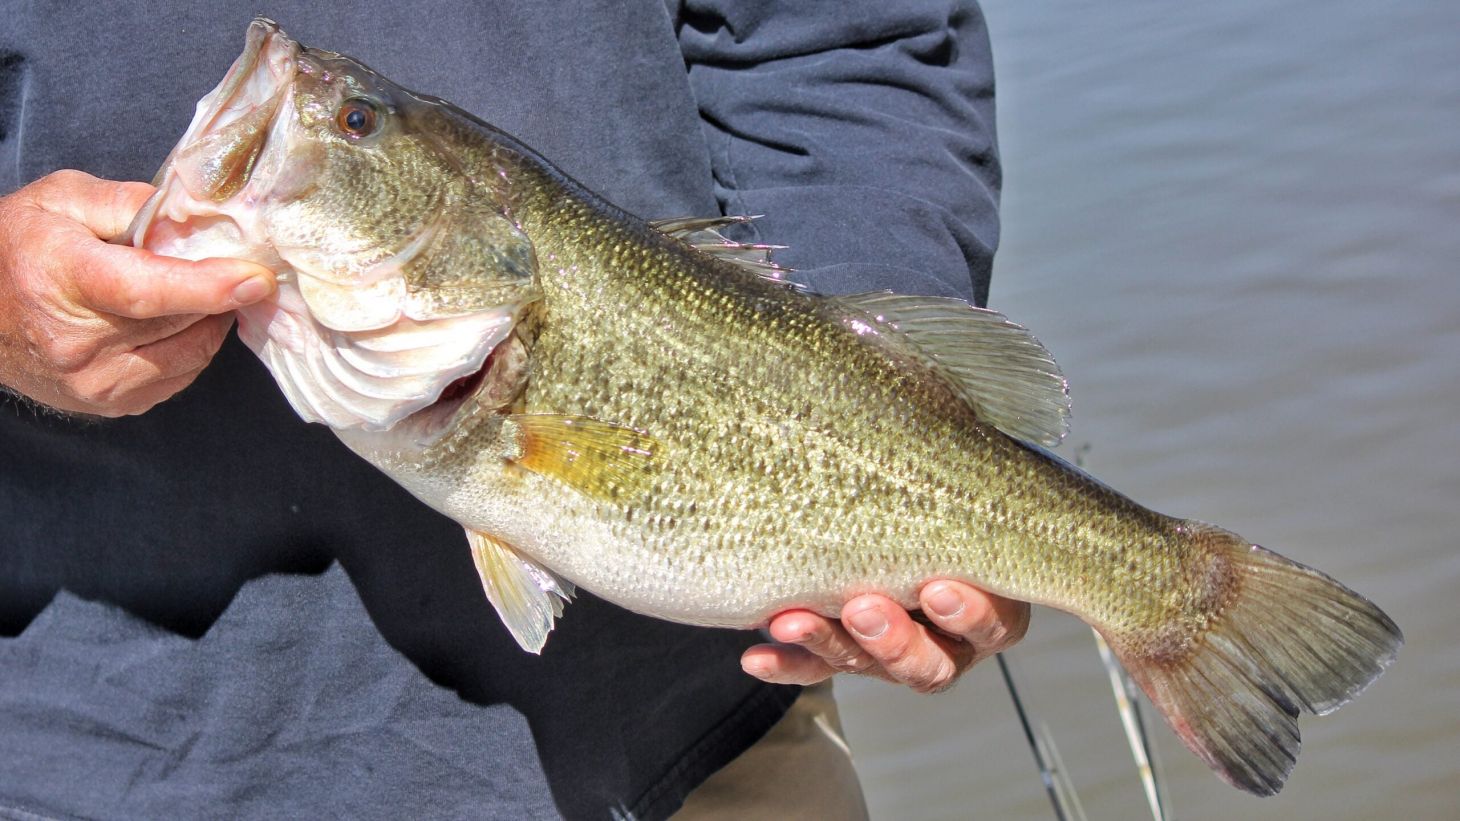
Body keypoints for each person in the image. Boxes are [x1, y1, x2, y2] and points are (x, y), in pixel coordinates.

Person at [0, 2, 1023, 818]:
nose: (296, 97)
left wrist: (872, 429)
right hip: (103, 757)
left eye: (354, 123)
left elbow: (846, 39)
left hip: (706, 744)